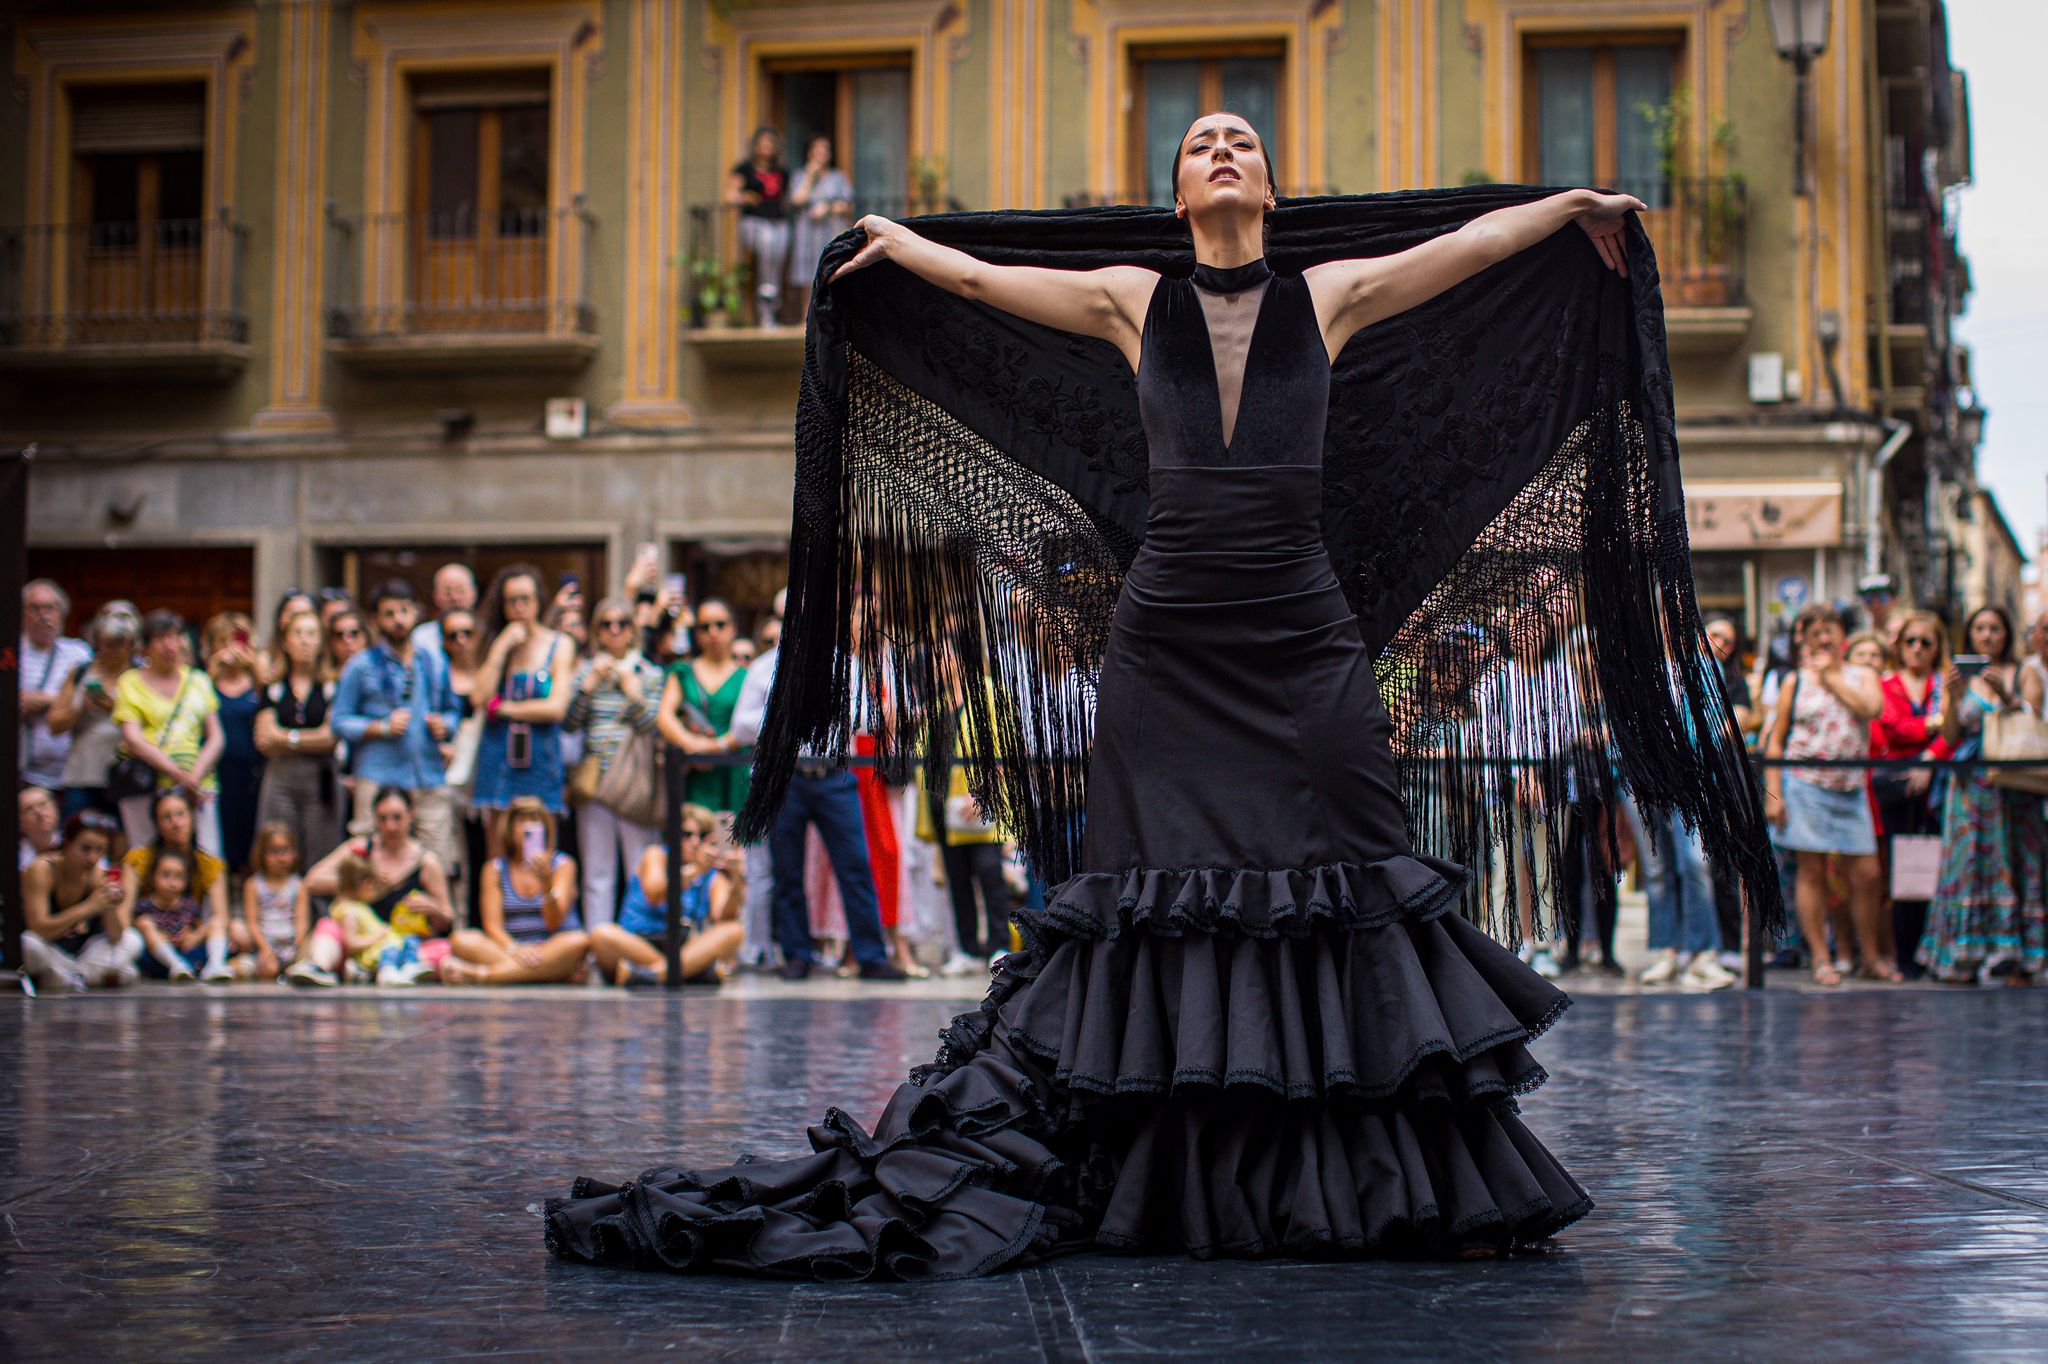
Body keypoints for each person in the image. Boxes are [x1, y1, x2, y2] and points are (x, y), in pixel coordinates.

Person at [547, 113, 1665, 1275]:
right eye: (1198, 144)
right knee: (1157, 890)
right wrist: (899, 241)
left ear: (1271, 189)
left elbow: (1473, 247)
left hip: (1298, 628)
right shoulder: (1133, 300)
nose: (1222, 148)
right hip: (1168, 641)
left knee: (1352, 862)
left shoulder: (1330, 293)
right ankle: (1176, 1172)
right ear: (1180, 197)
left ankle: (1387, 1178)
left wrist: (1570, 210)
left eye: (1240, 139)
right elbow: (984, 278)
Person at [725, 633, 906, 982]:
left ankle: (870, 955)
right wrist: (785, 718)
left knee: (855, 865)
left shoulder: (844, 664)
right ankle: (796, 954)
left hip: (834, 775)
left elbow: (868, 717)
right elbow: (741, 725)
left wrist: (832, 713)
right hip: (786, 776)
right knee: (787, 870)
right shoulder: (766, 667)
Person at [1919, 606, 2047, 984]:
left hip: (2013, 785)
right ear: (1970, 635)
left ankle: (2020, 957)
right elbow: (1951, 736)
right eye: (1979, 628)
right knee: (1969, 864)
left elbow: (2034, 720)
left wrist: (2005, 694)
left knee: (2018, 862)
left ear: (2007, 634)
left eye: (1994, 628)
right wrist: (1956, 698)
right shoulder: (1955, 677)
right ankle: (1964, 956)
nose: (1987, 635)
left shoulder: (2022, 670)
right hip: (1972, 787)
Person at [1763, 605, 1889, 985]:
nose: (1823, 638)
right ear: (1804, 638)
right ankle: (1821, 957)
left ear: (1842, 635)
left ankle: (1870, 957)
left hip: (1851, 788)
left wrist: (1833, 677)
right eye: (1815, 631)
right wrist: (1775, 794)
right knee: (1812, 872)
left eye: (1829, 630)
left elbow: (1872, 708)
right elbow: (1777, 741)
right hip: (1805, 784)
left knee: (1867, 874)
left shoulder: (1862, 674)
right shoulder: (1793, 682)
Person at [330, 582, 462, 877]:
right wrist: (380, 727)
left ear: (416, 613)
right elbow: (339, 721)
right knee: (367, 862)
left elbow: (453, 712)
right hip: (378, 776)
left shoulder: (434, 661)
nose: (398, 620)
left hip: (427, 774)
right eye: (389, 613)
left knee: (438, 861)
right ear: (376, 619)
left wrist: (445, 726)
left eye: (404, 611)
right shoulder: (360, 665)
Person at [293, 786, 456, 986]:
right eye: (383, 819)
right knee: (329, 926)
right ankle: (320, 968)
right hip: (359, 943)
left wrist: (432, 907)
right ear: (374, 819)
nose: (390, 826)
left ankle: (395, 970)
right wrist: (360, 880)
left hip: (402, 945)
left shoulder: (426, 862)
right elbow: (312, 881)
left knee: (441, 950)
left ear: (411, 815)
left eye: (397, 818)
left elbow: (448, 917)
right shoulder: (361, 849)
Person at [564, 597, 662, 927]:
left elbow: (654, 726)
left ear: (633, 630)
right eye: (606, 624)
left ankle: (638, 941)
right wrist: (587, 687)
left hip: (634, 779)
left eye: (622, 623)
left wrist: (632, 692)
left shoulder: (648, 673)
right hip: (594, 781)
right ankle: (598, 945)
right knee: (597, 872)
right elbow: (569, 723)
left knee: (640, 867)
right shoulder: (585, 672)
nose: (615, 630)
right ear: (597, 632)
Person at [471, 565, 575, 847]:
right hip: (498, 757)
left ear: (538, 601)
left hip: (540, 759)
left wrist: (503, 709)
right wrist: (501, 647)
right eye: (511, 601)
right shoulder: (495, 642)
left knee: (539, 852)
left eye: (525, 599)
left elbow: (556, 708)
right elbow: (479, 698)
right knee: (498, 853)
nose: (519, 608)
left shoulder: (559, 644)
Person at [586, 804, 746, 986]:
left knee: (734, 930)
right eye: (687, 835)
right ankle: (688, 971)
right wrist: (693, 871)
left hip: (683, 946)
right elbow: (655, 894)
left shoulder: (712, 873)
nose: (694, 842)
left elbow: (724, 916)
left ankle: (651, 973)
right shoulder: (656, 855)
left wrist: (737, 878)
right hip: (640, 941)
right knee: (601, 934)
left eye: (701, 836)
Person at [1870, 608, 1948, 977]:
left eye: (1925, 642)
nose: (1917, 648)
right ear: (1899, 647)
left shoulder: (1945, 684)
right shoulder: (1886, 684)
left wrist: (1929, 760)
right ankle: (1904, 955)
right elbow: (1892, 728)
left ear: (1937, 648)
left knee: (1939, 865)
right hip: (1895, 786)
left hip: (1938, 785)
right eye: (1910, 641)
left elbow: (1956, 732)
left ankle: (1934, 950)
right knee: (1901, 871)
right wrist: (1934, 725)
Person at [442, 796, 589, 984]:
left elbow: (554, 922)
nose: (528, 827)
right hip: (511, 947)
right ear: (509, 829)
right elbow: (493, 926)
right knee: (461, 939)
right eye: (521, 821)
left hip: (552, 945)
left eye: (535, 821)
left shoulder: (562, 864)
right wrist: (515, 949)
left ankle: (484, 976)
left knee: (578, 941)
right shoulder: (494, 869)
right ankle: (551, 972)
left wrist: (546, 885)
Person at [111, 611, 224, 854]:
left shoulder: (199, 680)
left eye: (175, 637)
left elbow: (216, 737)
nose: (170, 645)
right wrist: (177, 775)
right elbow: (132, 739)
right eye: (161, 638)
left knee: (207, 855)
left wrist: (193, 778)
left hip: (198, 785)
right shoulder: (130, 681)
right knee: (145, 854)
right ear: (146, 647)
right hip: (146, 784)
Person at [116, 786, 241, 980]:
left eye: (181, 814)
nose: (176, 823)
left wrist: (194, 937)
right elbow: (124, 916)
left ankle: (215, 967)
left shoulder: (209, 864)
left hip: (189, 941)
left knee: (232, 929)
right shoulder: (137, 859)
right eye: (167, 817)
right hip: (151, 943)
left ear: (192, 817)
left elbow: (221, 917)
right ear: (157, 824)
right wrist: (150, 933)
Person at [254, 608, 343, 868]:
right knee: (277, 846)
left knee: (322, 853)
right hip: (280, 780)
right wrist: (309, 740)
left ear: (321, 642)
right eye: (298, 633)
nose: (305, 640)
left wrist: (287, 738)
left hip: (322, 779)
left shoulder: (332, 686)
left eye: (312, 633)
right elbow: (264, 740)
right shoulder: (273, 686)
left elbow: (331, 736)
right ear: (285, 641)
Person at [48, 607, 141, 819]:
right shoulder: (81, 671)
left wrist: (115, 708)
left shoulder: (142, 674)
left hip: (127, 775)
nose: (111, 650)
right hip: (82, 773)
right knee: (77, 836)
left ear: (131, 644)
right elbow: (54, 724)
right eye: (105, 643)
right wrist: (81, 708)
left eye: (119, 643)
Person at [18, 810, 125, 993]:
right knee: (28, 943)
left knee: (132, 939)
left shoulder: (98, 875)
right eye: (86, 848)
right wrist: (89, 906)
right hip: (50, 950)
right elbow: (38, 927)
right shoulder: (42, 869)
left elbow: (116, 936)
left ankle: (73, 976)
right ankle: (80, 976)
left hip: (80, 957)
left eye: (100, 850)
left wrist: (110, 906)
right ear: (67, 844)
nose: (92, 858)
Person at [203, 611, 267, 872]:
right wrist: (213, 669)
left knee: (251, 830)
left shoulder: (256, 681)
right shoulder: (205, 681)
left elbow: (272, 704)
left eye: (238, 640)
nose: (232, 648)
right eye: (224, 640)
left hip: (252, 772)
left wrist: (255, 669)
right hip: (218, 771)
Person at [19, 578, 93, 793]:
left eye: (49, 608)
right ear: (22, 613)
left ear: (62, 612)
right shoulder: (11, 653)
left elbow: (88, 699)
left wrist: (45, 700)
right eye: (34, 608)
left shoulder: (79, 653)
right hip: (20, 769)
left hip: (68, 772)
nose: (43, 615)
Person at [728, 126, 791, 327]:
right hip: (754, 223)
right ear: (755, 146)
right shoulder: (744, 169)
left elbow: (788, 199)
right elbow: (730, 196)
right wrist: (745, 197)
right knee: (767, 248)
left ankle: (772, 302)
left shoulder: (782, 172)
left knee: (777, 258)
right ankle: (766, 307)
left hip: (777, 221)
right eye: (762, 143)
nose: (765, 147)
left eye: (769, 143)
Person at [788, 134, 854, 319]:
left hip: (830, 231)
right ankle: (806, 318)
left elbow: (847, 204)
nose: (821, 155)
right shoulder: (800, 176)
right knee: (806, 275)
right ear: (809, 153)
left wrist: (829, 208)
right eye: (817, 150)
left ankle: (832, 317)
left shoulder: (838, 177)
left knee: (832, 270)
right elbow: (797, 199)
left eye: (824, 150)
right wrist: (810, 176)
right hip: (806, 233)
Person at [131, 848, 210, 982]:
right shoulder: (145, 905)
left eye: (178, 876)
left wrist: (191, 935)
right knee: (144, 923)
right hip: (156, 956)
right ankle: (176, 965)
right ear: (153, 877)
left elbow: (199, 926)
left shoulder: (189, 904)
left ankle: (212, 967)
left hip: (184, 952)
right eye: (166, 875)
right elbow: (136, 928)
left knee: (213, 924)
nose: (172, 883)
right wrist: (159, 936)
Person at [244, 822, 310, 980]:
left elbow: (302, 922)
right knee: (267, 968)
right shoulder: (253, 885)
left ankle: (295, 967)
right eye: (274, 851)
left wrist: (296, 946)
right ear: (262, 853)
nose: (281, 858)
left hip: (290, 943)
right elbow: (252, 923)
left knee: (312, 945)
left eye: (286, 851)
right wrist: (265, 949)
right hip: (265, 943)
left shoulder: (298, 885)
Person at [413, 562, 478, 660]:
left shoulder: (487, 633)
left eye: (460, 590)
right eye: (448, 592)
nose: (455, 597)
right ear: (435, 596)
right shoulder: (421, 637)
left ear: (474, 594)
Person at [18, 784, 60, 868]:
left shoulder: (73, 846)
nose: (38, 812)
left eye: (42, 804)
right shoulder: (14, 858)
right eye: (28, 808)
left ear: (56, 809)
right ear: (20, 822)